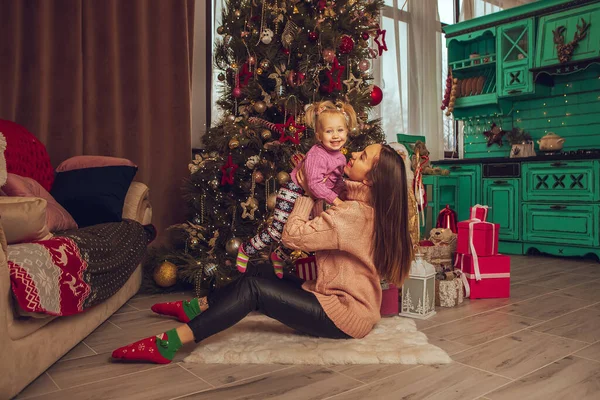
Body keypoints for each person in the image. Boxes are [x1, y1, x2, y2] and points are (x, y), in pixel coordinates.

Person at [111, 143, 414, 364]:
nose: (352, 155)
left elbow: (293, 235)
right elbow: (329, 226)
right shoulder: (361, 207)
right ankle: (198, 307)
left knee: (254, 288)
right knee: (260, 271)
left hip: (344, 315)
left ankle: (171, 342)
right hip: (340, 299)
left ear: (371, 179)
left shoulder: (354, 214)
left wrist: (308, 193)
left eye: (362, 157)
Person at [236, 100, 357, 278]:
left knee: (302, 230)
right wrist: (336, 201)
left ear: (347, 132)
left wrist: (344, 194)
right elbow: (315, 184)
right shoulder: (317, 154)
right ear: (318, 135)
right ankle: (246, 249)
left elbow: (336, 181)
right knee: (278, 229)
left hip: (311, 198)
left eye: (340, 130)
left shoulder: (340, 158)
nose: (335, 136)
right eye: (329, 131)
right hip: (294, 191)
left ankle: (278, 255)